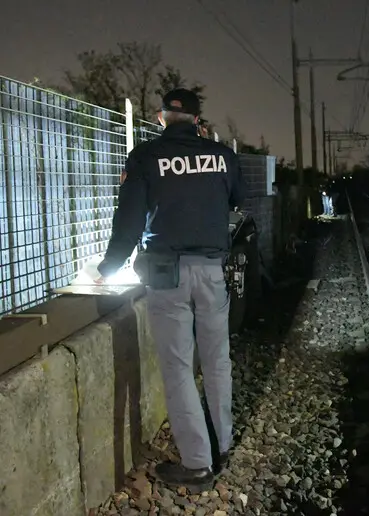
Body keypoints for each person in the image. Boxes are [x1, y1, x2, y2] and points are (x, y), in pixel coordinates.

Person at [95, 88, 245, 492]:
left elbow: (128, 222)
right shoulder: (223, 157)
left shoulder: (144, 158)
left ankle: (198, 463)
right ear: (198, 121)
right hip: (213, 270)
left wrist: (107, 268)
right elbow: (237, 199)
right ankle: (223, 444)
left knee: (178, 367)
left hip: (166, 275)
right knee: (217, 359)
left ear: (161, 118)